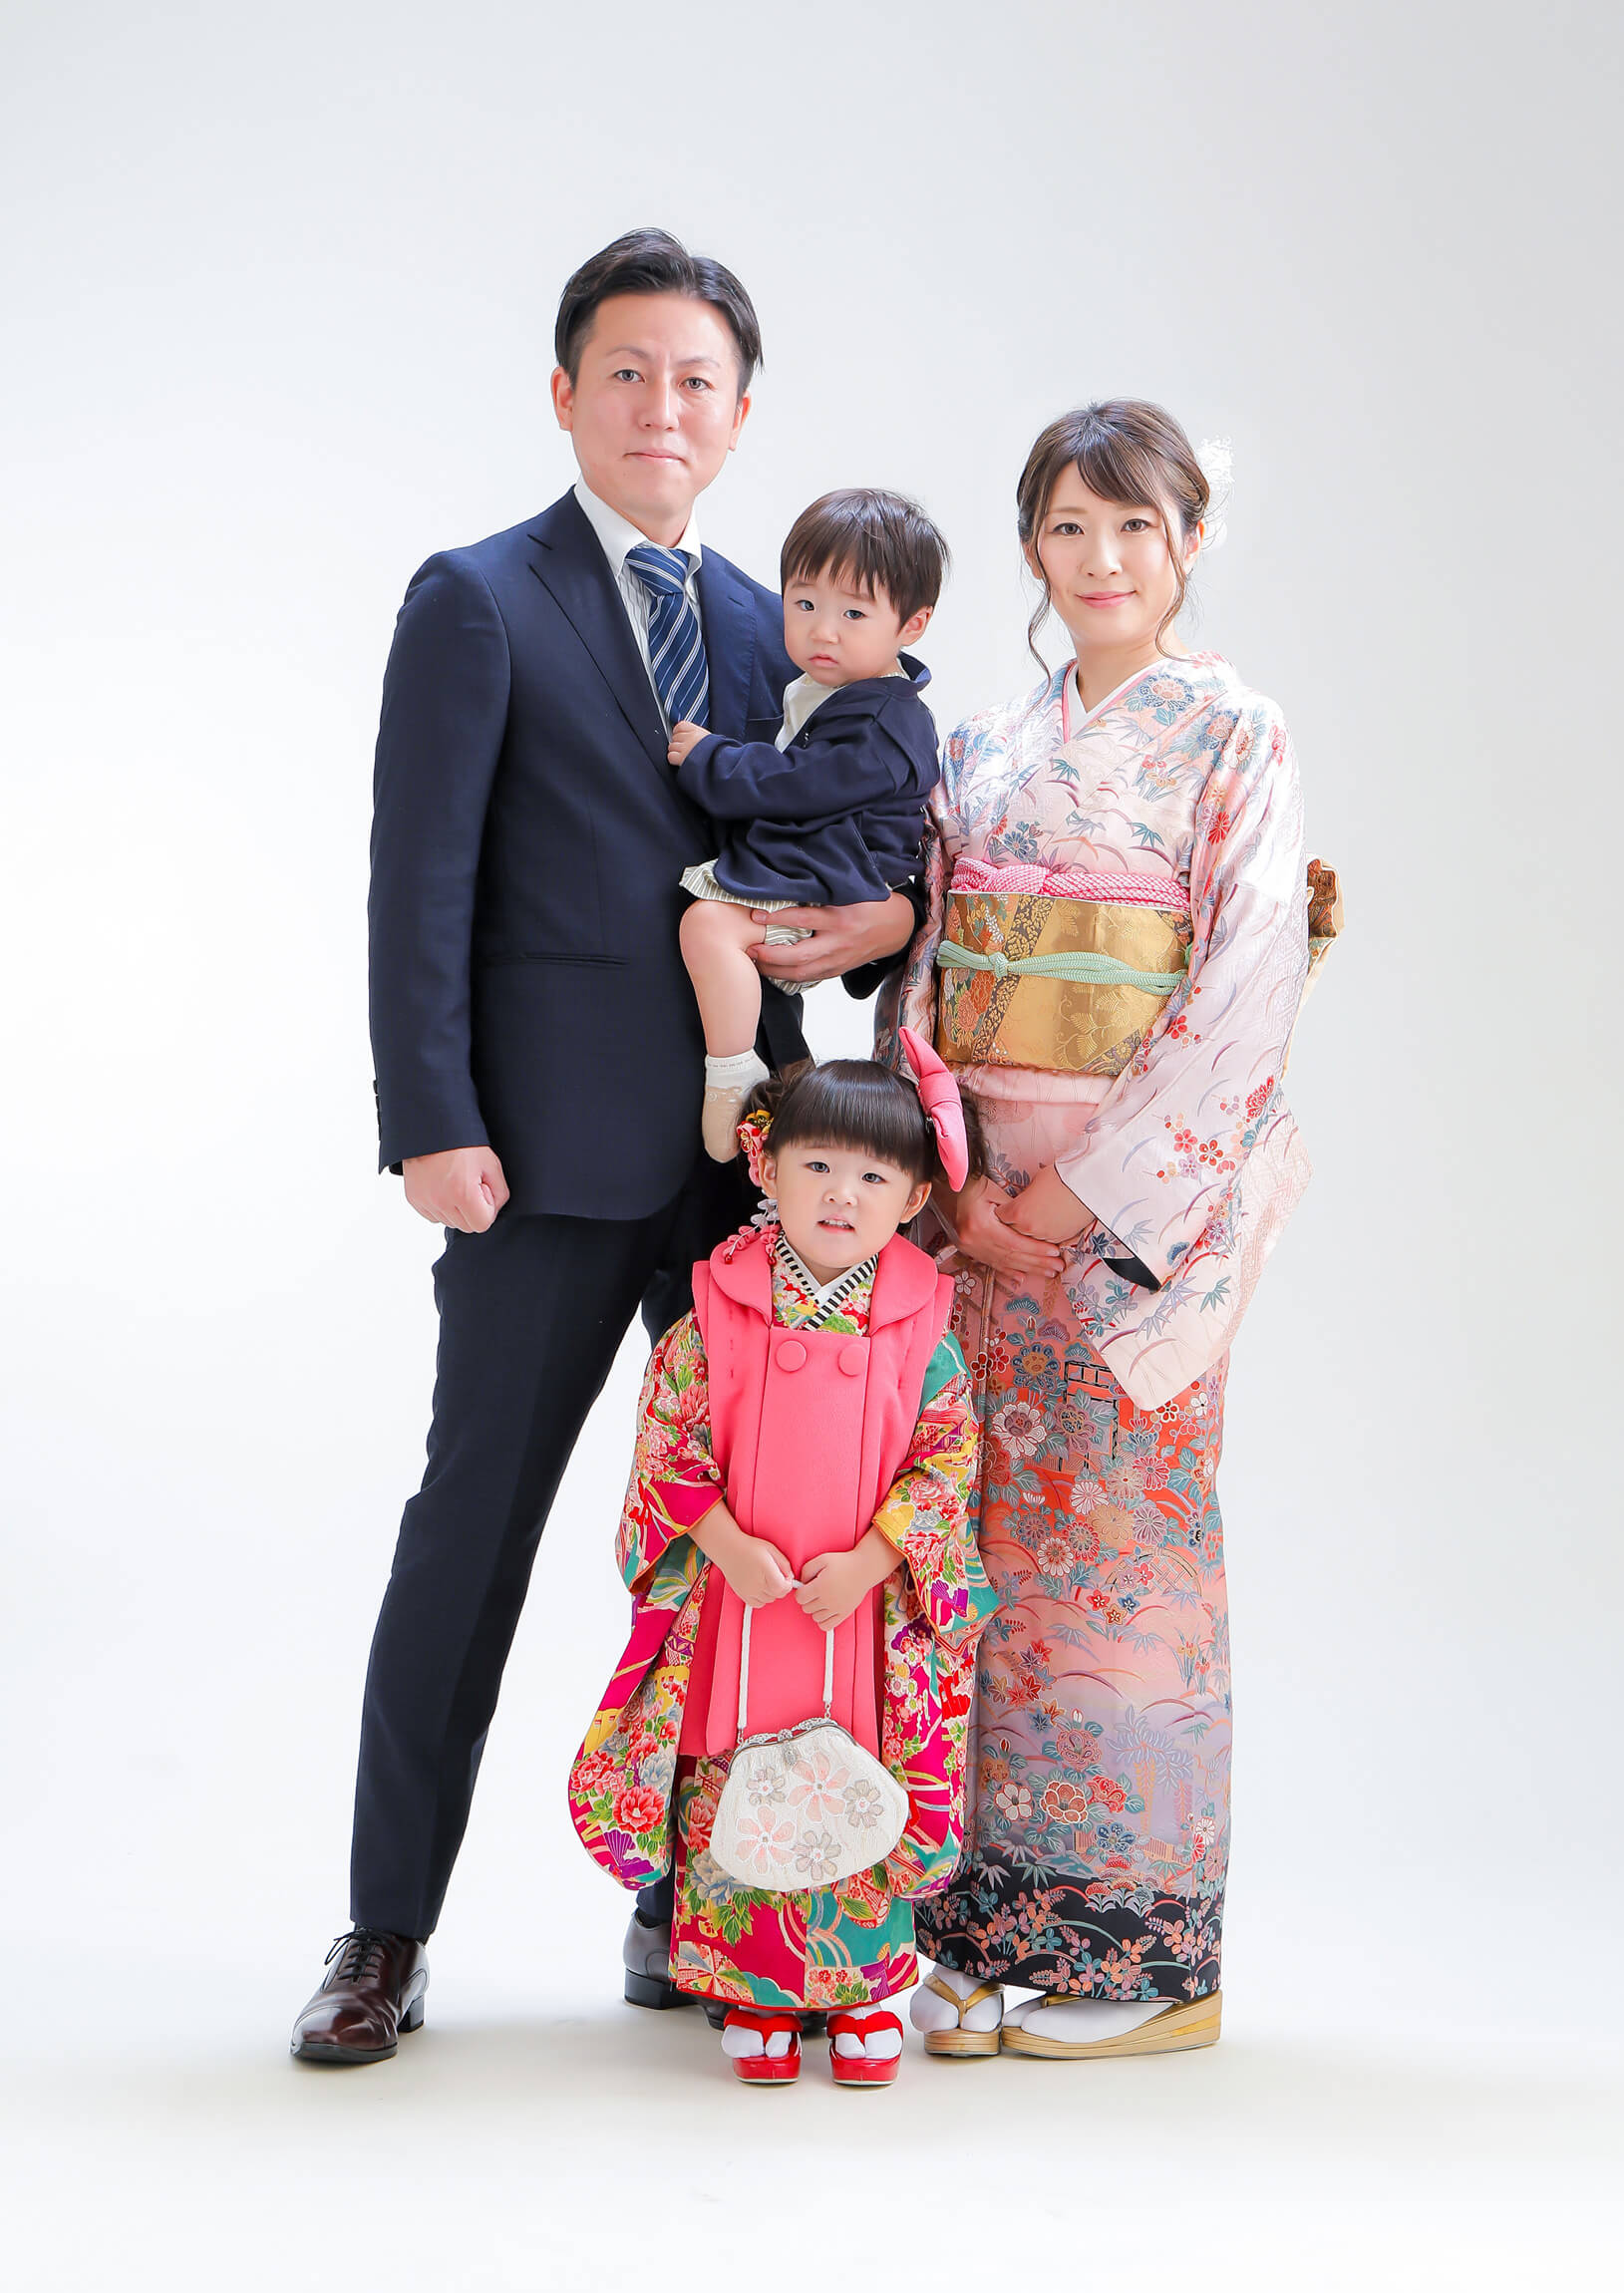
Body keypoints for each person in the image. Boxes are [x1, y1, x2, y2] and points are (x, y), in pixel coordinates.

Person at [290, 229, 920, 2067]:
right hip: (539, 1163)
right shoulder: (477, 598)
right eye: (627, 372)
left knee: (745, 1547)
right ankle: (384, 1933)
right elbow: (418, 880)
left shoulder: (782, 622)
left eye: (696, 380)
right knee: (469, 1535)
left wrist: (879, 929)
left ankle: (698, 1903)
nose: (663, 406)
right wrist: (430, 1121)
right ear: (566, 393)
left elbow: (861, 837)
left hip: (755, 1169)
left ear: (739, 416)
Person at [882, 401, 1337, 2062]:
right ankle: (980, 1930)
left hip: (1126, 1224)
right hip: (980, 1226)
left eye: (1134, 526)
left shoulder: (1231, 736)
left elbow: (1242, 993)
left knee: (1125, 1568)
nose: (1100, 559)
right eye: (1068, 527)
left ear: (1187, 542)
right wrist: (952, 1183)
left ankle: (1143, 1961)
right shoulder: (982, 748)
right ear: (1028, 546)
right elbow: (925, 980)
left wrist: (1073, 1199)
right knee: (978, 1555)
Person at [568, 1046, 997, 2087]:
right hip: (742, 1599)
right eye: (818, 1166)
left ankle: (861, 1994)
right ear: (766, 1167)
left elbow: (947, 1456)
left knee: (864, 1771)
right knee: (735, 1764)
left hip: (861, 1605)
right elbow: (668, 1440)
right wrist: (721, 1542)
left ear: (915, 1196)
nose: (842, 1195)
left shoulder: (923, 1321)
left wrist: (875, 1559)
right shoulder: (717, 1308)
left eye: (872, 1176)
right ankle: (752, 1991)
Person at [667, 488, 947, 1158]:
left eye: (853, 612)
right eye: (803, 604)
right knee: (717, 935)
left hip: (838, 879)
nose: (823, 630)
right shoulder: (838, 690)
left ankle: (734, 1075)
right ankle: (775, 1073)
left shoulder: (885, 717)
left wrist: (710, 759)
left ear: (912, 624)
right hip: (819, 867)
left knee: (708, 927)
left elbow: (802, 785)